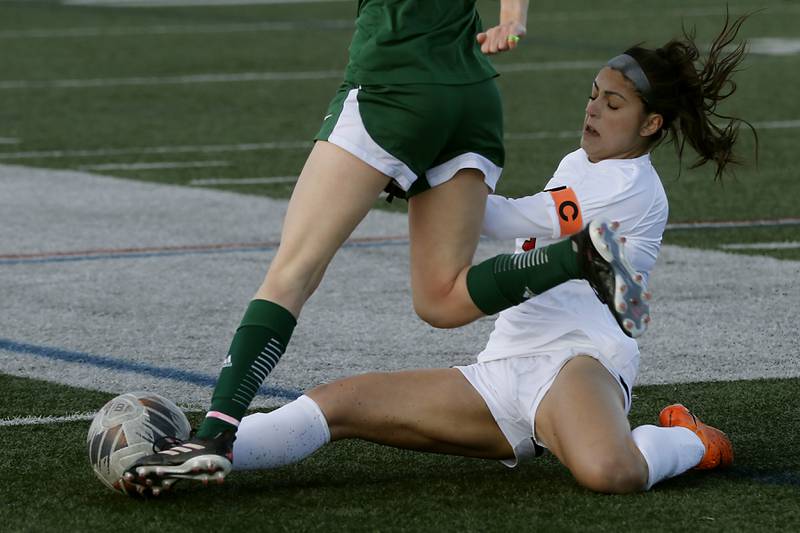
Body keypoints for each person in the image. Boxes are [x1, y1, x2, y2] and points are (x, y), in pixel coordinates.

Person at [124, 14, 756, 496]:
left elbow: (518, 216)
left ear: (652, 126)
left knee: (608, 470)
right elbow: (512, 214)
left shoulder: (628, 185)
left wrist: (422, 178)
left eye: (614, 105)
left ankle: (688, 440)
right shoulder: (579, 165)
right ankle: (200, 454)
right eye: (594, 93)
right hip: (504, 366)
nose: (594, 108)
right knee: (341, 404)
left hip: (579, 364)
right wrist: (431, 184)